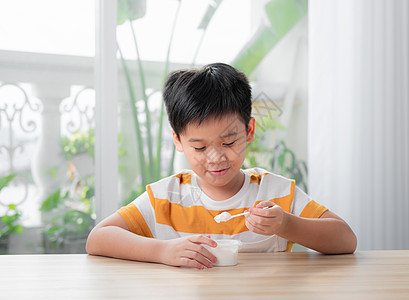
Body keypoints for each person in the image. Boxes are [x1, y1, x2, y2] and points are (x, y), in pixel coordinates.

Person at [86, 63, 357, 269]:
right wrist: (163, 251)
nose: (215, 158)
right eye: (200, 148)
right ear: (178, 141)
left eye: (228, 142)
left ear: (249, 131)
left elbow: (346, 240)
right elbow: (98, 238)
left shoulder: (274, 193)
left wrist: (285, 223)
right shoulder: (165, 197)